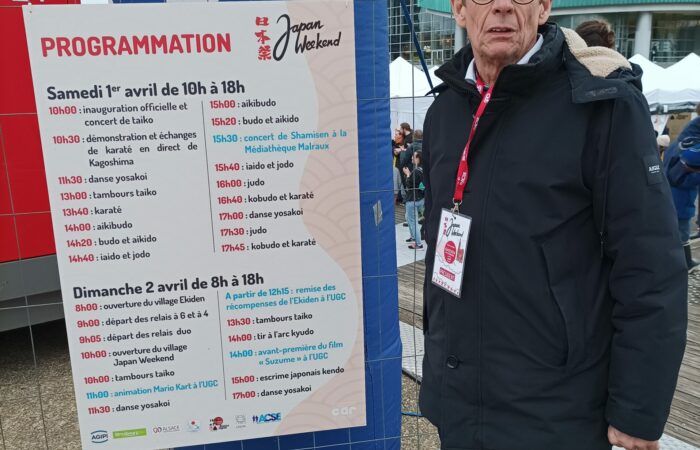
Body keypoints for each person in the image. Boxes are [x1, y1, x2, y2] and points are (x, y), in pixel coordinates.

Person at [419, 0, 687, 449]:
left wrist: (637, 409)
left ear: (543, 7)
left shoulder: (602, 103)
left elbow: (650, 264)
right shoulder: (445, 110)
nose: (502, 6)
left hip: (555, 412)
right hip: (460, 404)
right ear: (460, 10)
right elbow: (438, 242)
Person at [664, 115, 700, 261]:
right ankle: (684, 263)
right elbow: (684, 176)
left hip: (670, 193)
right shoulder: (692, 147)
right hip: (680, 196)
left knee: (674, 229)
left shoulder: (680, 142)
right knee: (681, 230)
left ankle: (679, 261)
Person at [403, 151, 425, 249]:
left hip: (412, 199)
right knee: (408, 217)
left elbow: (409, 184)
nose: (412, 157)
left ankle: (418, 243)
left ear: (418, 158)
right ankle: (413, 237)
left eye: (414, 156)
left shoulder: (416, 171)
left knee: (412, 221)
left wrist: (408, 174)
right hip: (421, 198)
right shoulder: (423, 169)